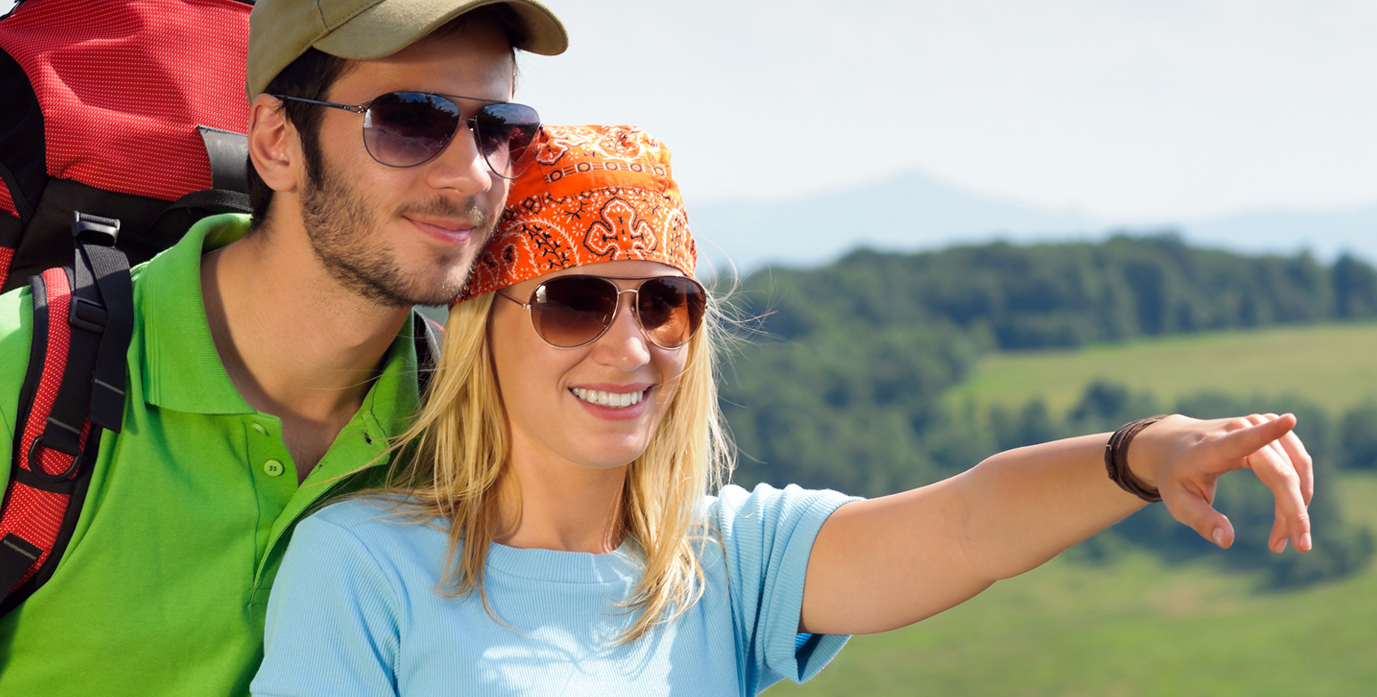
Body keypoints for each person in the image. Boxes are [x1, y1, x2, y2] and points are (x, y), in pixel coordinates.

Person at [251, 124, 1314, 696]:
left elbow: (968, 525)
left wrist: (1141, 454)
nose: (629, 345)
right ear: (485, 328)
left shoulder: (722, 561)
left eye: (664, 304)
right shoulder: (363, 569)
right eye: (575, 302)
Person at [0, 0, 567, 696]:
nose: (472, 174)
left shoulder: (472, 437)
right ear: (275, 142)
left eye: (500, 129)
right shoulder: (0, 378)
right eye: (411, 121)